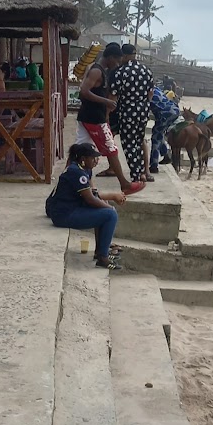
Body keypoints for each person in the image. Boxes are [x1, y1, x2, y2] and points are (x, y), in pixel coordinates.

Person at [44, 140, 126, 268]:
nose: (96, 161)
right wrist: (110, 208)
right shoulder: (76, 172)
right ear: (83, 159)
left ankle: (101, 250)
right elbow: (90, 199)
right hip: (63, 215)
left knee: (104, 208)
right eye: (93, 158)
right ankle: (103, 257)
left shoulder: (84, 169)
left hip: (71, 208)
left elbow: (93, 194)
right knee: (110, 214)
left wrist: (107, 202)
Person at [77, 43, 142, 195]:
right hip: (94, 118)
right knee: (111, 149)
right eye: (117, 61)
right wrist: (106, 101)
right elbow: (84, 91)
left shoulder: (101, 71)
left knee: (79, 149)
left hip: (88, 116)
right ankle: (125, 184)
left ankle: (68, 179)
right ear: (111, 57)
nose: (118, 64)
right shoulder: (96, 71)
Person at [110, 42, 154, 183]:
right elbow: (151, 93)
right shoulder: (146, 70)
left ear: (124, 56)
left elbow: (113, 96)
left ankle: (136, 175)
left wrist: (108, 113)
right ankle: (141, 172)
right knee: (139, 140)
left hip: (127, 111)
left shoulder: (120, 72)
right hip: (143, 111)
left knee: (129, 144)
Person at [149, 85, 178, 174]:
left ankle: (154, 166)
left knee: (155, 137)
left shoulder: (145, 93)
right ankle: (166, 156)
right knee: (159, 133)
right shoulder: (155, 88)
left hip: (165, 114)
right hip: (174, 109)